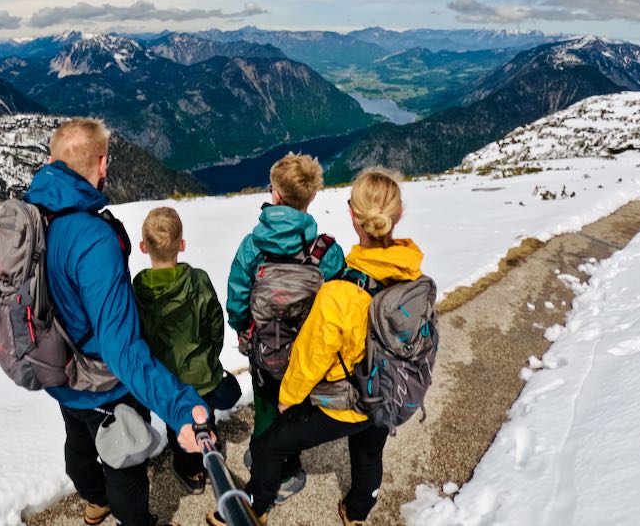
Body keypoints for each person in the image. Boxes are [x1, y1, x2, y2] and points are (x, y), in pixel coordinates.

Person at [208, 168, 423, 526]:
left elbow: (313, 352)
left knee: (269, 440)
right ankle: (357, 512)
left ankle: (256, 506)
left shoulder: (338, 290)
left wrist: (286, 393)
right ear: (397, 215)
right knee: (369, 450)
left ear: (353, 215)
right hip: (386, 387)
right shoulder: (412, 274)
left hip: (335, 388)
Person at [25, 118, 209, 526]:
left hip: (58, 367)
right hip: (101, 381)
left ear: (53, 161)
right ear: (103, 163)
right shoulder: (94, 239)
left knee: (78, 440)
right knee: (123, 464)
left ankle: (93, 500)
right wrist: (180, 406)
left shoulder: (36, 216)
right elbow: (120, 347)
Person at [225, 153, 345, 503]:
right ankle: (288, 470)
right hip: (307, 353)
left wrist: (243, 329)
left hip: (263, 348)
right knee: (295, 407)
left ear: (274, 194)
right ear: (311, 198)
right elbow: (340, 296)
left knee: (265, 404)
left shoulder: (253, 246)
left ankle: (263, 461)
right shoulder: (324, 251)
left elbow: (237, 296)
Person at [132, 206, 242, 494]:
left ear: (144, 247)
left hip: (166, 378)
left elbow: (138, 334)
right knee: (205, 410)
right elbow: (215, 325)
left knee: (177, 422)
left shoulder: (138, 292)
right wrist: (208, 357)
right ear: (182, 245)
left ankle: (191, 468)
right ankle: (207, 442)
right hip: (202, 373)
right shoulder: (198, 281)